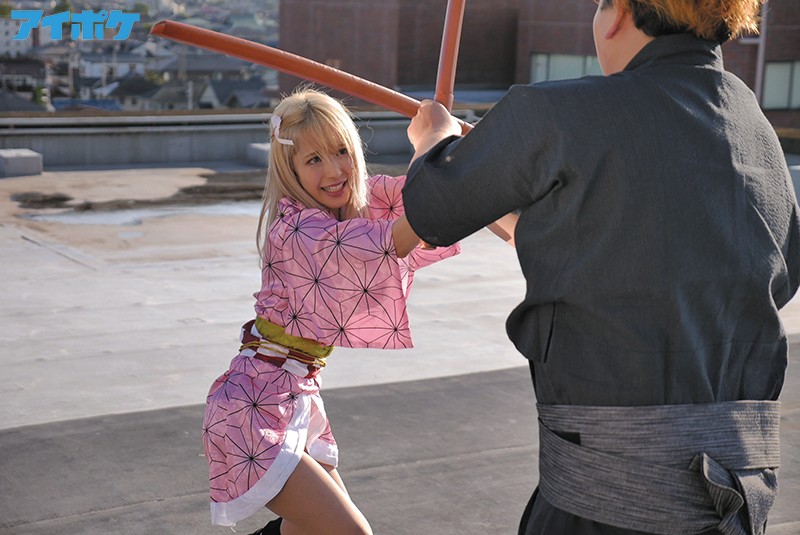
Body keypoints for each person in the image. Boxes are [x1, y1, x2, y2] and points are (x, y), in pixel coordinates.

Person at [402, 1, 800, 534]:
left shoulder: (558, 112)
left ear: (618, 15)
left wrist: (433, 137)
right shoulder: (753, 126)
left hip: (603, 502)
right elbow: (767, 272)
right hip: (735, 501)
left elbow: (432, 207)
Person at [202, 88, 460, 535]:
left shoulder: (352, 203)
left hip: (295, 394)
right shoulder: (299, 229)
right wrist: (434, 139)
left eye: (341, 151)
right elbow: (407, 229)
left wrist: (462, 163)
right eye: (314, 159)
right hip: (253, 406)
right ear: (290, 169)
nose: (335, 170)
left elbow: (436, 196)